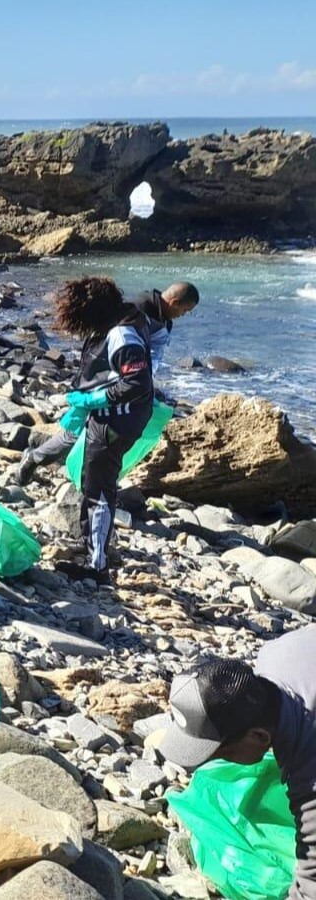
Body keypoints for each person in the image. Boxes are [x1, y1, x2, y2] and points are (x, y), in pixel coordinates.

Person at [158, 625, 315, 899]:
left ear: (259, 735)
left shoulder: (310, 770)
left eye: (222, 754)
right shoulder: (274, 654)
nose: (215, 764)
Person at [28, 276, 160, 584]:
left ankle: (97, 566)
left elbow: (136, 384)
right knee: (92, 480)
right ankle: (91, 546)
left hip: (116, 421)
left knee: (99, 488)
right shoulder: (125, 318)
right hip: (112, 417)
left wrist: (93, 399)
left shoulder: (122, 335)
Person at [15, 280, 199, 485]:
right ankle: (40, 460)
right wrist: (105, 389)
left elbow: (148, 354)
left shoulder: (163, 319)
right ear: (174, 302)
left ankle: (84, 477)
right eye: (185, 310)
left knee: (91, 433)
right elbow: (108, 345)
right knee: (81, 431)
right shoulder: (140, 308)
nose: (185, 315)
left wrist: (143, 379)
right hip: (106, 378)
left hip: (125, 380)